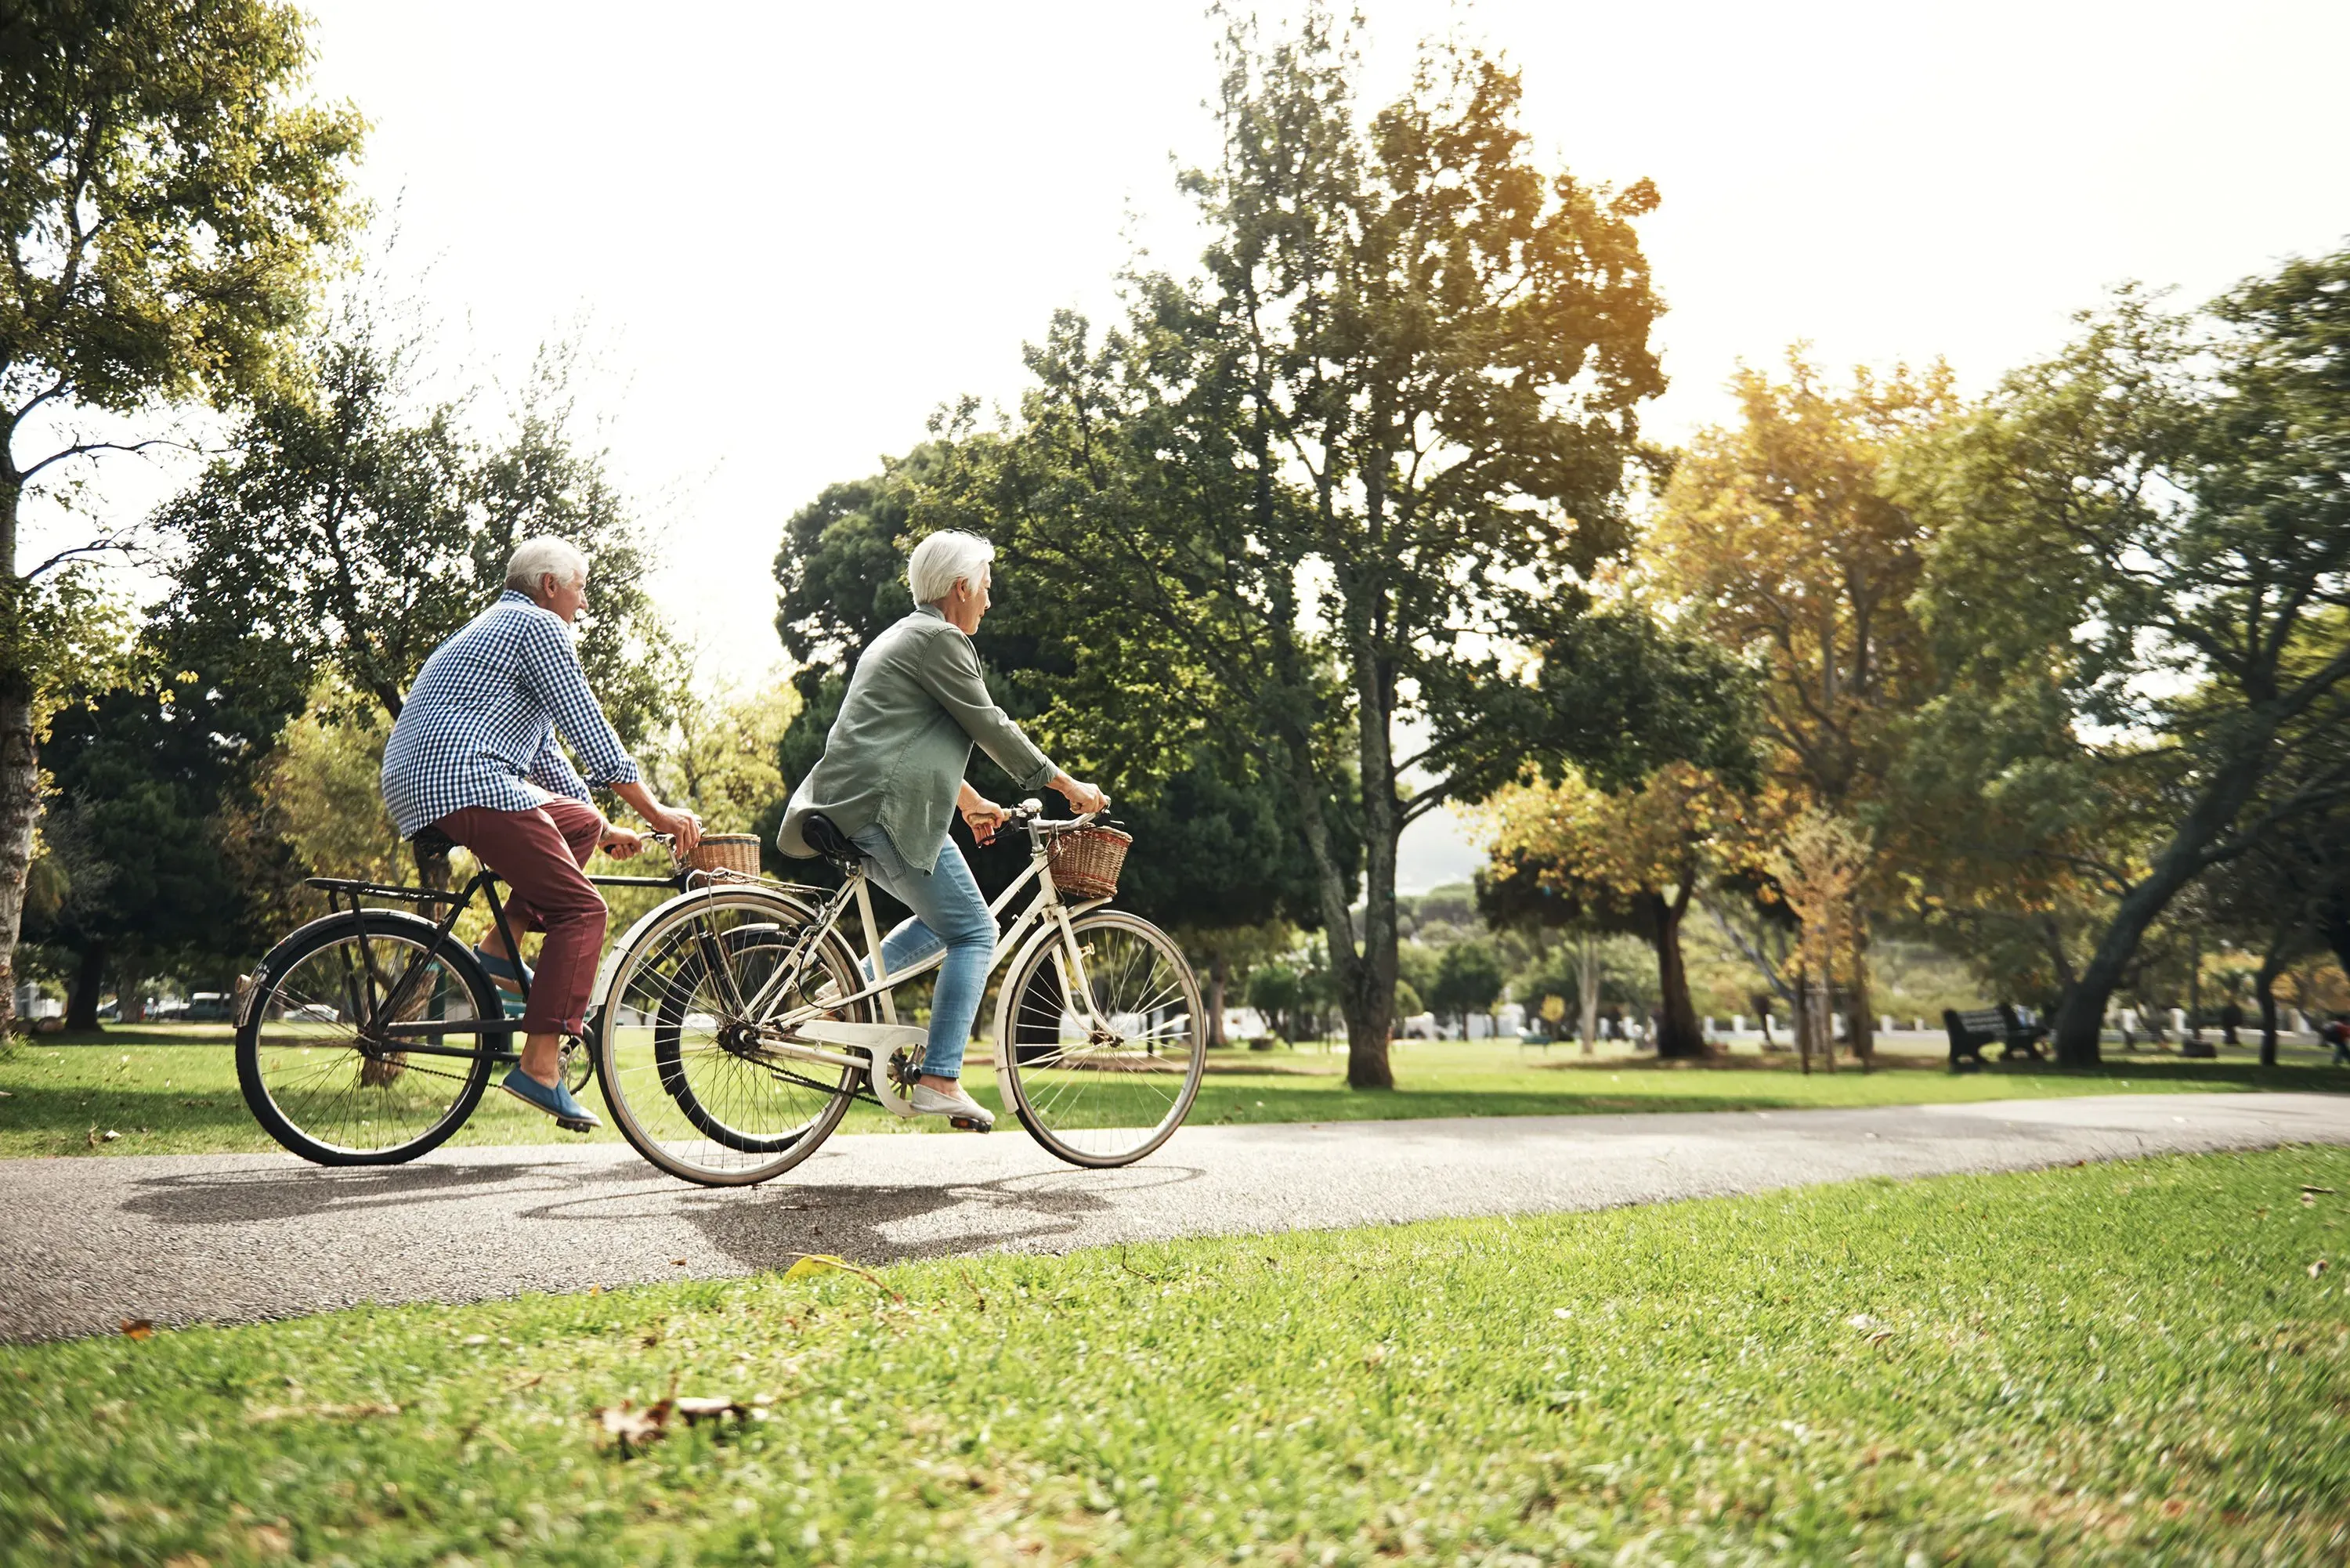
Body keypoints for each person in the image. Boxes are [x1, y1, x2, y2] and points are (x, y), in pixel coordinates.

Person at [779, 530, 1107, 1129]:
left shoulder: (902, 637)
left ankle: (835, 1000)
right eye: (985, 586)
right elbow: (989, 723)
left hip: (859, 803)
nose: (988, 600)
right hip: (885, 809)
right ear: (961, 587)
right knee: (977, 932)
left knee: (940, 922)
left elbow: (902, 736)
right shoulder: (941, 639)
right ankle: (941, 1077)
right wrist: (1065, 785)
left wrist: (972, 799)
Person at [381, 537, 703, 1129]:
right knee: (584, 913)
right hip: (465, 779)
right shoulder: (538, 628)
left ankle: (501, 955)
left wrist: (602, 825)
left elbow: (546, 752)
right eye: (581, 588)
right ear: (550, 585)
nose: (584, 605)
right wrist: (658, 813)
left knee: (576, 823)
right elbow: (591, 729)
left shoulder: (496, 628)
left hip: (428, 779)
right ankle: (539, 1065)